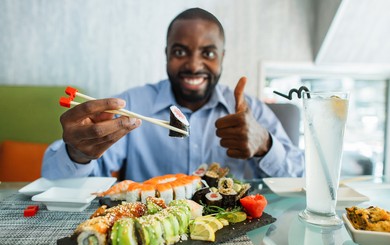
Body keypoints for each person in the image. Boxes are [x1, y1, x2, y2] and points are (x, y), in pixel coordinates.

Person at [42, 7, 304, 182]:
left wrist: (265, 146)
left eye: (208, 53)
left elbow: (302, 179)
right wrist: (78, 153)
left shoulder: (251, 111)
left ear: (222, 58)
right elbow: (54, 180)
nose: (193, 65)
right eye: (180, 52)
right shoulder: (132, 105)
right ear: (166, 54)